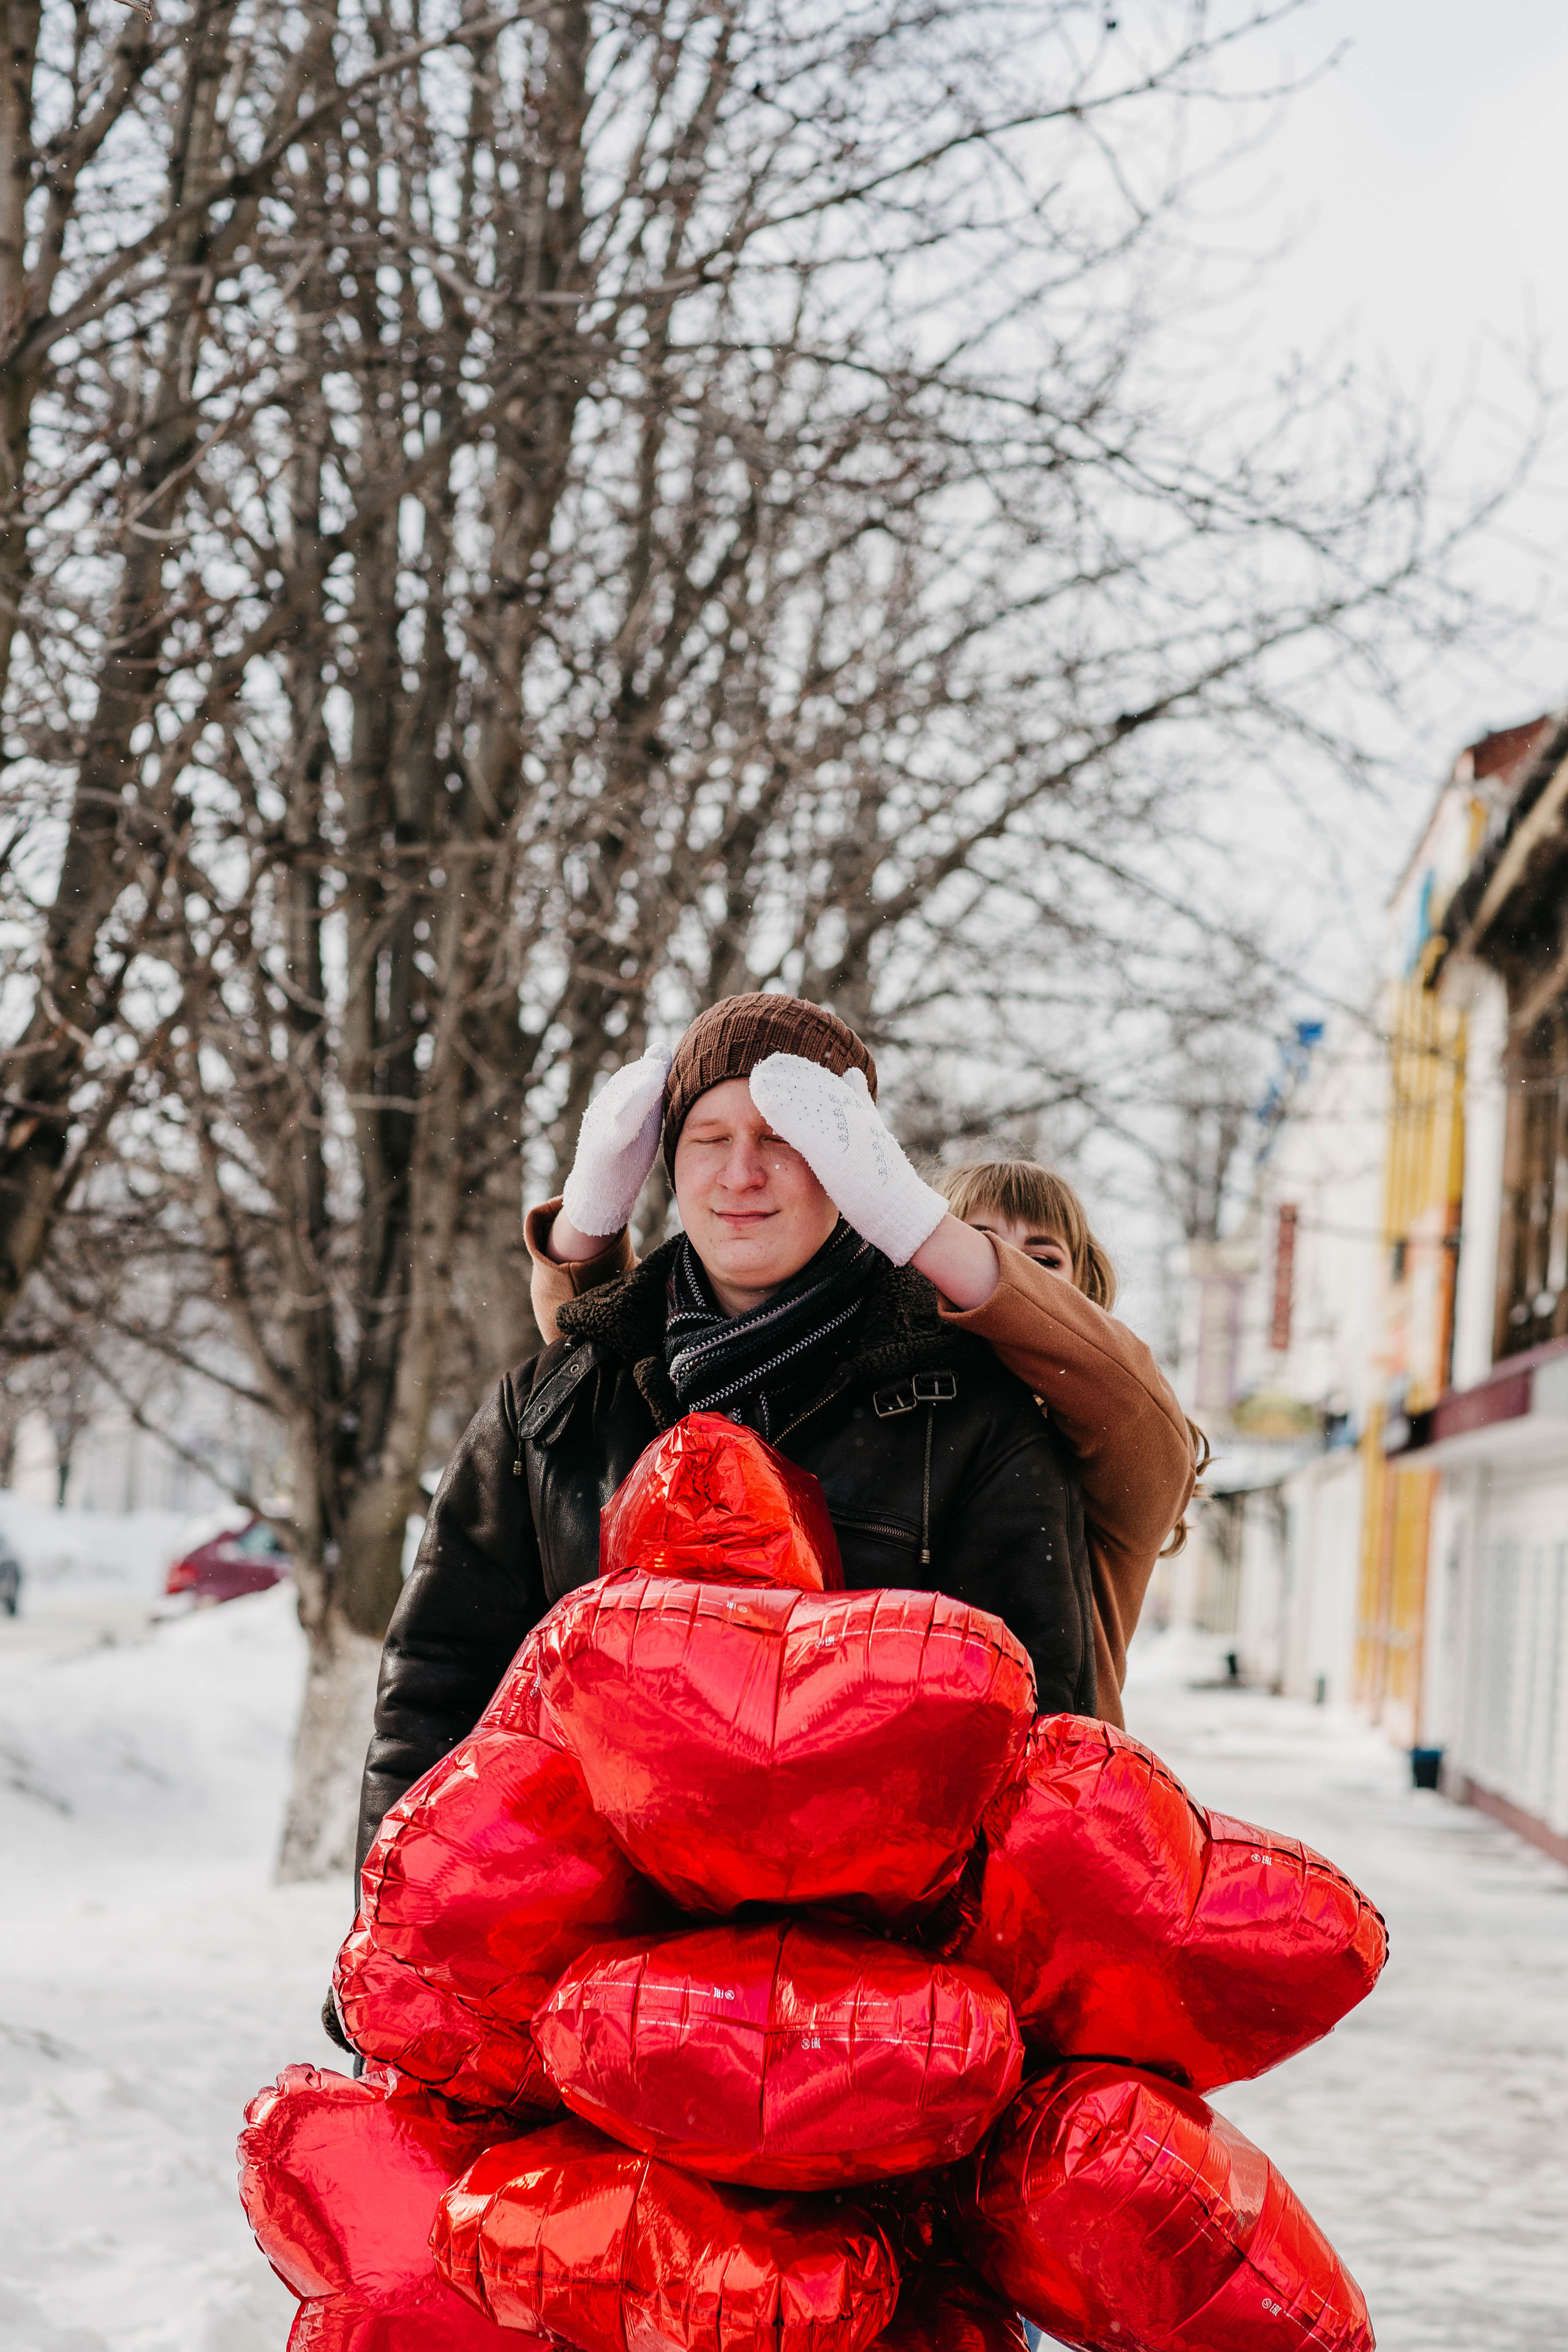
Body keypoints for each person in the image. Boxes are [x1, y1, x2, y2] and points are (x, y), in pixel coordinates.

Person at [352, 995, 1101, 1898]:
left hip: (872, 1998)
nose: (741, 1173)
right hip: (573, 1986)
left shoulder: (972, 1413)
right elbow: (431, 1700)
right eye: (708, 1138)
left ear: (848, 1164)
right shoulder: (551, 1406)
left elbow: (1037, 1744)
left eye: (783, 1138)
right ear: (668, 1164)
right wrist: (398, 1954)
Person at [527, 1031, 1196, 1728]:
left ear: (1081, 1294)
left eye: (1041, 1263)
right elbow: (610, 1373)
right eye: (973, 1243)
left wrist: (922, 1226)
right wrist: (590, 1224)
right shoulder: (907, 1409)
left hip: (1055, 1789)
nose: (994, 1284)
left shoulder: (1115, 1458)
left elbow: (1131, 1403)